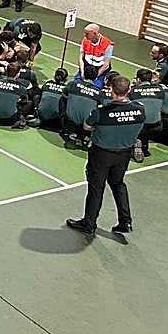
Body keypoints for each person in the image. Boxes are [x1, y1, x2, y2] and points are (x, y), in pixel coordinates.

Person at [67, 76, 145, 237]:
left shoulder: (101, 112)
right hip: (124, 153)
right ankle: (125, 221)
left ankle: (89, 223)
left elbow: (87, 126)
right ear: (129, 90)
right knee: (118, 184)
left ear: (111, 90)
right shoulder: (140, 109)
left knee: (96, 188)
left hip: (101, 153)